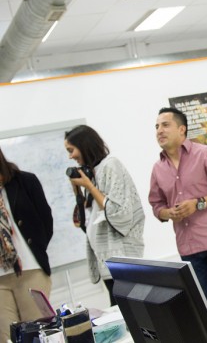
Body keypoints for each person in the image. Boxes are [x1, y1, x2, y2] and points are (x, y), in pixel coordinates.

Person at [149, 107, 207, 342]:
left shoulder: (205, 154)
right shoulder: (158, 169)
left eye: (165, 125)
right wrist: (168, 213)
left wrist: (198, 204)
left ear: (182, 129)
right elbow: (156, 206)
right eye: (156, 126)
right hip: (188, 249)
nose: (159, 130)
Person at [64, 125, 145, 306]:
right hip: (107, 260)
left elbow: (119, 213)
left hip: (122, 259)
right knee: (121, 313)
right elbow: (88, 220)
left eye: (71, 150)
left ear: (84, 146)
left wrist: (90, 187)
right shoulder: (94, 172)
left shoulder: (111, 165)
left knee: (131, 314)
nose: (70, 156)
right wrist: (79, 190)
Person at [0, 148, 53, 342]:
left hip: (30, 271)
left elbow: (46, 222)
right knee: (6, 338)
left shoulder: (25, 181)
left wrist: (36, 250)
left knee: (36, 334)